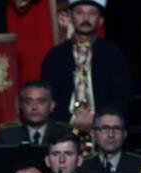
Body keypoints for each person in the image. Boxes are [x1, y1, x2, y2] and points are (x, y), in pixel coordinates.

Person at [40, 0, 131, 133]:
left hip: (104, 131)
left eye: (92, 13)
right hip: (62, 131)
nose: (86, 18)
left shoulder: (114, 55)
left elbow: (121, 99)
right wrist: (72, 120)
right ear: (70, 17)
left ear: (101, 20)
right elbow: (47, 98)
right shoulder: (55, 56)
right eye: (80, 13)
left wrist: (98, 121)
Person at [0, 80, 70, 146]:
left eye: (41, 101)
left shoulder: (65, 133)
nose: (34, 107)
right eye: (28, 102)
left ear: (52, 106)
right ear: (21, 105)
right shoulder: (7, 136)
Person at [81, 107, 141, 173]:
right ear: (93, 133)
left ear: (125, 134)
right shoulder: (82, 166)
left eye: (117, 129)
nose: (111, 135)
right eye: (105, 128)